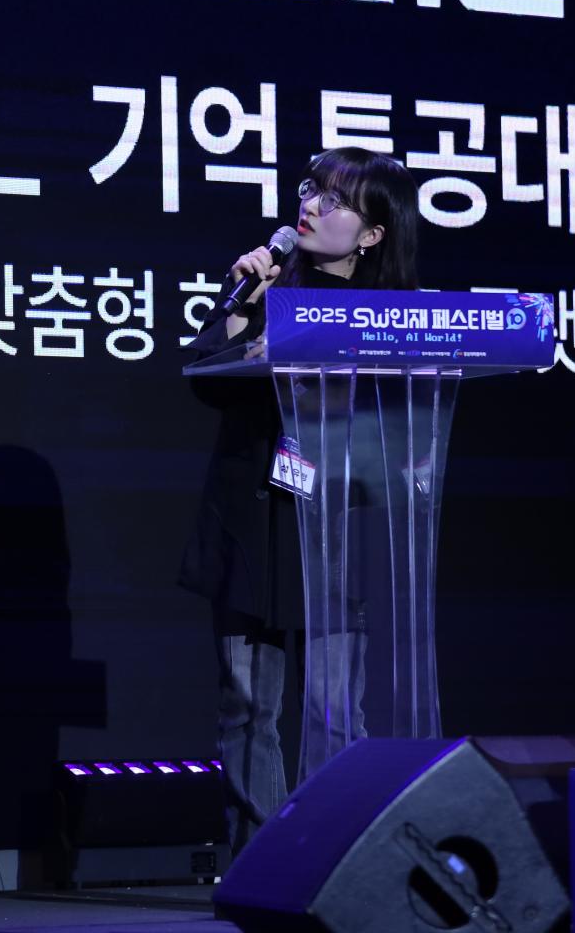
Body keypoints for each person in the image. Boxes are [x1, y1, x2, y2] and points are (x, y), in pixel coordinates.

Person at [179, 146, 422, 855]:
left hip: (339, 526)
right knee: (247, 704)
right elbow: (207, 379)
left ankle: (335, 857)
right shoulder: (264, 292)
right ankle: (260, 859)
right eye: (310, 190)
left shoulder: (391, 317)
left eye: (335, 201)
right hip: (253, 519)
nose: (311, 207)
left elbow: (398, 423)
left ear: (372, 233)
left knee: (334, 709)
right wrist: (241, 312)